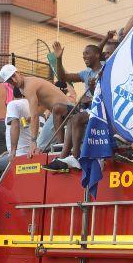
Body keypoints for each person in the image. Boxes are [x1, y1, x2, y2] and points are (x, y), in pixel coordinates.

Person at [44, 41, 100, 172]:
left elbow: (100, 96)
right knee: (58, 108)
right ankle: (62, 152)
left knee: (75, 119)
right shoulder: (86, 73)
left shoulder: (105, 68)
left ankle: (75, 156)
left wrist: (92, 91)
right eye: (83, 54)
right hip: (87, 107)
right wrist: (58, 59)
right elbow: (62, 78)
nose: (84, 56)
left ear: (97, 55)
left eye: (87, 53)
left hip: (99, 108)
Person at [0, 64, 72, 158]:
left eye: (14, 76)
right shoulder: (23, 88)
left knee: (37, 148)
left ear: (19, 73)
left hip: (66, 111)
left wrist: (33, 141)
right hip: (62, 112)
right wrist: (31, 118)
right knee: (43, 146)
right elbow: (44, 104)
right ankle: (63, 153)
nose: (14, 81)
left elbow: (35, 115)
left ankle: (62, 157)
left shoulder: (29, 86)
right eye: (10, 80)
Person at [0, 86, 41, 195]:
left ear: (13, 95)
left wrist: (13, 151)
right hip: (32, 153)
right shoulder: (35, 108)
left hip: (20, 155)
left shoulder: (14, 104)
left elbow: (15, 126)